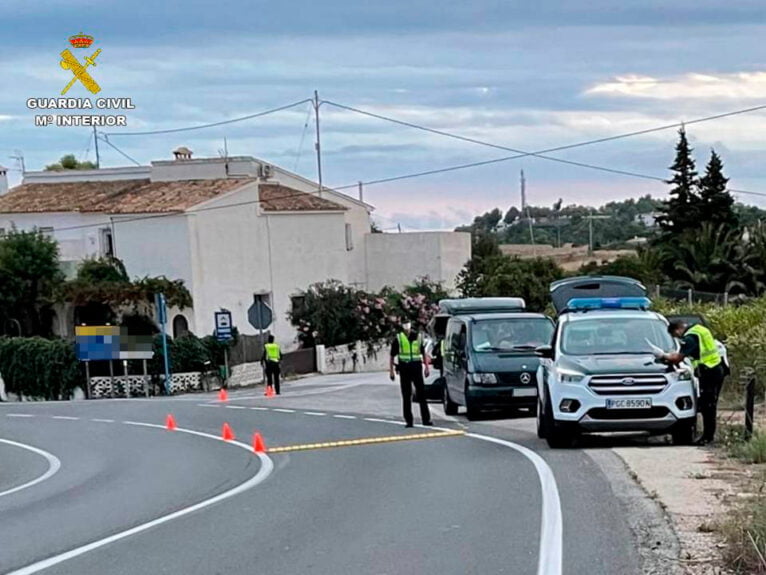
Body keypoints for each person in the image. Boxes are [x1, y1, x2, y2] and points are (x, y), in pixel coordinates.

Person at [656, 320, 725, 445]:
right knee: (709, 404)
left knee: (707, 406)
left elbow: (677, 358)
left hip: (708, 371)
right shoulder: (699, 329)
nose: (678, 338)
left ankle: (707, 437)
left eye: (675, 336)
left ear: (677, 330)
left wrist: (663, 355)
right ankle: (708, 436)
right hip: (716, 368)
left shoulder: (690, 338)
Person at [389, 320, 432, 428]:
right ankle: (409, 420)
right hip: (404, 368)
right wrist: (391, 371)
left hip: (416, 366)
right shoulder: (399, 338)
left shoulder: (418, 337)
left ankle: (426, 419)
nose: (407, 330)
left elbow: (423, 353)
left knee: (421, 394)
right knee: (406, 394)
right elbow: (392, 355)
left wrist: (426, 367)